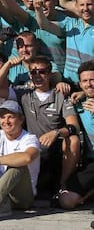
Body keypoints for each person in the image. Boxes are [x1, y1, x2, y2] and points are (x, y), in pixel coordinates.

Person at [0, 55, 80, 196]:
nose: (37, 75)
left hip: (53, 150)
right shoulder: (24, 94)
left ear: (49, 74)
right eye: (33, 72)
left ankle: (62, 186)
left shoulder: (60, 95)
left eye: (42, 72)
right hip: (30, 149)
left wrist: (55, 133)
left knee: (73, 140)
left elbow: (74, 126)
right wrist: (7, 65)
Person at [35, 0, 94, 85]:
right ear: (76, 7)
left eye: (89, 4)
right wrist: (38, 10)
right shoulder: (70, 24)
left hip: (89, 85)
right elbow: (45, 25)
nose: (85, 8)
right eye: (82, 5)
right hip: (68, 83)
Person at [59, 61, 94, 209]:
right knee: (66, 200)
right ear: (79, 84)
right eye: (85, 81)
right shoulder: (78, 103)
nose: (89, 84)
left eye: (92, 80)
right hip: (91, 161)